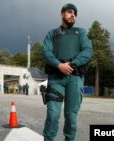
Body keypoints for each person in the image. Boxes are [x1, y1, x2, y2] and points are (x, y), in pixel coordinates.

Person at [42, 3, 93, 141]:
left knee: (71, 117)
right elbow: (46, 51)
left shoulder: (80, 32)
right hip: (56, 79)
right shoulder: (52, 34)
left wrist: (72, 64)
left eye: (75, 14)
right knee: (52, 115)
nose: (73, 15)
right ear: (62, 14)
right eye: (70, 12)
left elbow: (88, 51)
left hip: (74, 79)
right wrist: (59, 65)